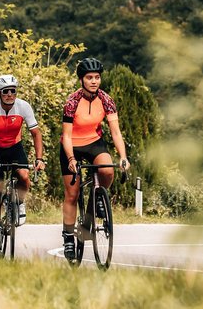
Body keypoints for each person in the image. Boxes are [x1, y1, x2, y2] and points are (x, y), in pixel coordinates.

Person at [59, 57, 130, 260]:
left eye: (97, 77)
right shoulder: (72, 102)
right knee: (72, 194)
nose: (94, 81)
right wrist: (71, 159)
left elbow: (115, 132)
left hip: (94, 142)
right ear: (81, 79)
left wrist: (123, 157)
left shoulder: (106, 100)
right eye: (89, 77)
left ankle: (96, 201)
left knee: (107, 170)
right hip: (71, 145)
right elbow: (67, 136)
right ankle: (68, 238)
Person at [0, 74, 46, 249]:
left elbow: (36, 134)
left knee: (24, 176)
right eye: (5, 91)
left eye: (13, 91)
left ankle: (19, 202)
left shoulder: (23, 107)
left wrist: (39, 158)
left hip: (15, 147)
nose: (10, 94)